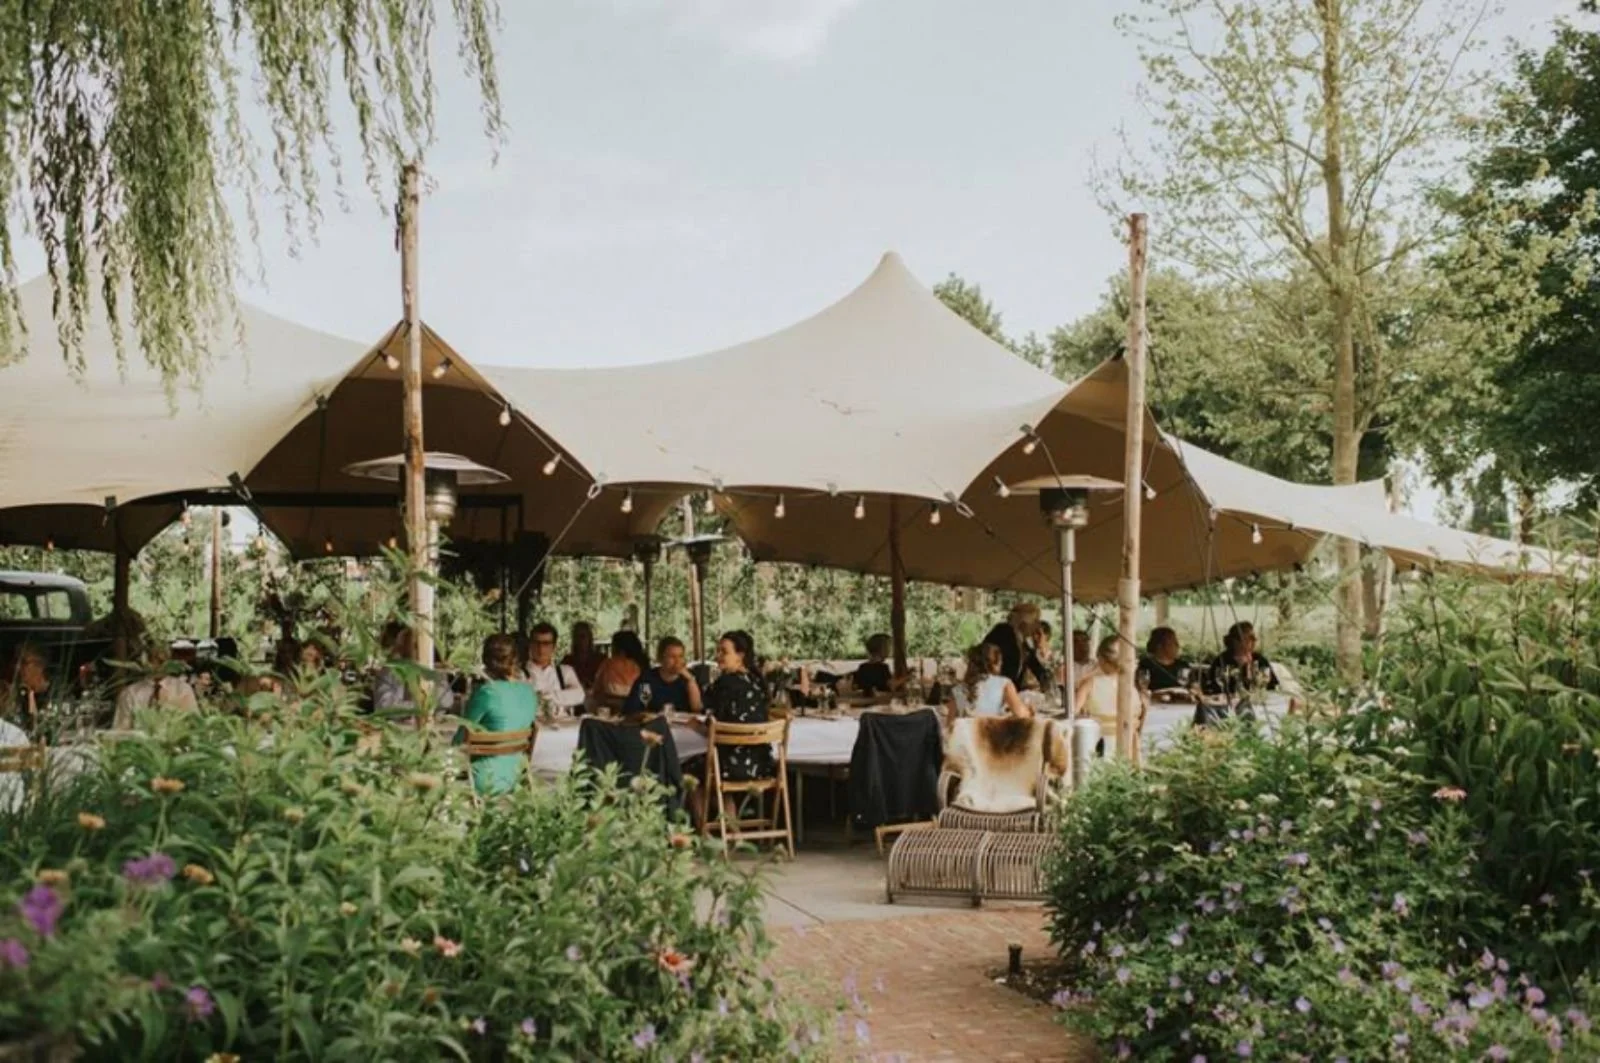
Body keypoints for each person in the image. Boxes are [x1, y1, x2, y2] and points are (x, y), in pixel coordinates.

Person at [690, 630, 775, 826]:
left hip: (730, 765)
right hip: (762, 765)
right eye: (718, 651)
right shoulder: (758, 682)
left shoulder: (725, 683)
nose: (718, 656)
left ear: (740, 656)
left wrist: (697, 726)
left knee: (689, 771)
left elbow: (703, 711)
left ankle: (703, 831)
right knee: (713, 774)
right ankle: (731, 829)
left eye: (723, 652)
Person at [455, 634, 539, 796]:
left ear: (486, 662)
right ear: (515, 659)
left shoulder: (486, 693)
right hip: (516, 778)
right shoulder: (529, 692)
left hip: (483, 780)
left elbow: (459, 740)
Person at [113, 638, 199, 730]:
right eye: (154, 659)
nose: (159, 665)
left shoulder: (182, 690)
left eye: (163, 659)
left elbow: (195, 726)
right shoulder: (130, 693)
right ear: (144, 661)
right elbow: (120, 731)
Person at [372, 622, 454, 717]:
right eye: (414, 644)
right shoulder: (390, 670)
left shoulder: (431, 671)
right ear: (401, 646)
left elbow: (446, 701)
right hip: (398, 728)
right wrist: (420, 706)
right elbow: (384, 706)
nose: (419, 648)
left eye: (420, 644)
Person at [947, 643, 1031, 721]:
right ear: (995, 664)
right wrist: (1029, 711)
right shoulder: (1004, 684)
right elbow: (1021, 715)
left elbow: (949, 726)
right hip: (989, 735)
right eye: (1000, 662)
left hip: (965, 736)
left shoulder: (957, 690)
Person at [624, 636, 703, 716]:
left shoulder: (689, 679)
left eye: (680, 656)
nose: (677, 661)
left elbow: (697, 709)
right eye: (672, 657)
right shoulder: (648, 679)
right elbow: (635, 708)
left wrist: (691, 681)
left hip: (686, 726)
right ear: (661, 658)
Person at [981, 603, 1051, 691]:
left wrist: (1047, 680)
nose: (1037, 626)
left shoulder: (1022, 641)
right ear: (1024, 623)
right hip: (995, 690)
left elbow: (1036, 666)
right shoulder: (1003, 632)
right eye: (1035, 621)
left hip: (1009, 692)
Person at [1076, 636, 1125, 756]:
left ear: (1100, 659)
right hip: (1127, 744)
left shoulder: (1089, 683)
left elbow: (1073, 713)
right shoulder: (1130, 685)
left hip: (1098, 746)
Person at [525, 622, 586, 718]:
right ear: (530, 645)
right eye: (537, 643)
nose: (541, 648)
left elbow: (579, 695)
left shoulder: (565, 671)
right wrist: (563, 697)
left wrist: (545, 696)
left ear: (554, 647)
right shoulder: (519, 673)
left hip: (564, 728)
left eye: (546, 643)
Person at [1204, 622, 1278, 700]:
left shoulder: (1259, 659)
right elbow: (1213, 687)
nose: (1255, 640)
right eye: (1250, 637)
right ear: (1236, 641)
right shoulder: (1222, 660)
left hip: (1257, 702)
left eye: (1254, 637)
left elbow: (1272, 686)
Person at [587, 630, 649, 715]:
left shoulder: (608, 664)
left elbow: (596, 690)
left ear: (618, 649)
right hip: (636, 712)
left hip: (611, 711)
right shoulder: (642, 666)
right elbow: (646, 697)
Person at [0, 643, 50, 731]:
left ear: (39, 665)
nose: (18, 667)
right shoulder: (10, 692)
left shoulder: (53, 693)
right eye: (16, 661)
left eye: (23, 662)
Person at [1138, 626, 1190, 693]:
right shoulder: (1147, 664)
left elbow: (1193, 686)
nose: (1177, 646)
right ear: (1159, 646)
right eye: (1173, 642)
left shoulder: (1183, 665)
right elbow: (1142, 688)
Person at [562, 622, 606, 690]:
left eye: (583, 636)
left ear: (589, 638)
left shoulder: (601, 659)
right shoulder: (567, 660)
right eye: (577, 636)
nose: (580, 640)